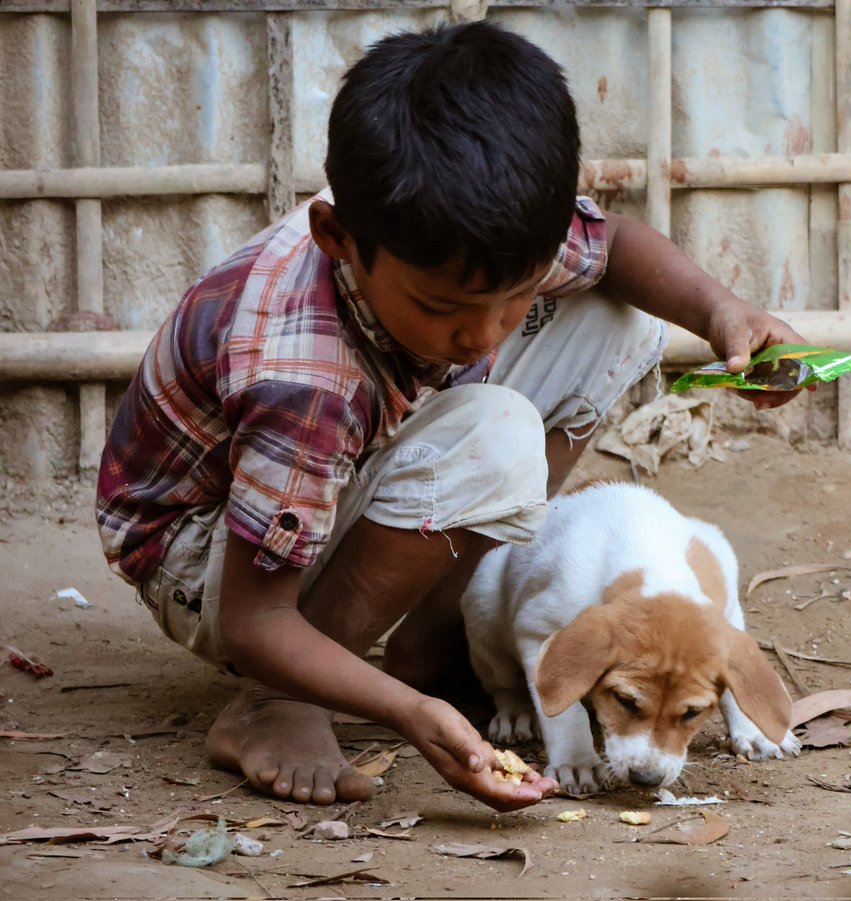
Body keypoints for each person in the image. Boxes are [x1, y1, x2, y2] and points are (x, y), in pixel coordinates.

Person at [96, 20, 804, 812]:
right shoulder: (302, 375)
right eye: (446, 308)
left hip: (333, 467)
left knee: (622, 318)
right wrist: (404, 713)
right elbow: (254, 617)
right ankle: (279, 702)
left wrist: (724, 313)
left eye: (519, 293)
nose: (485, 333)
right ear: (337, 237)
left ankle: (441, 622)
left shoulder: (455, 233)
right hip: (206, 557)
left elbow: (614, 248)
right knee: (495, 439)